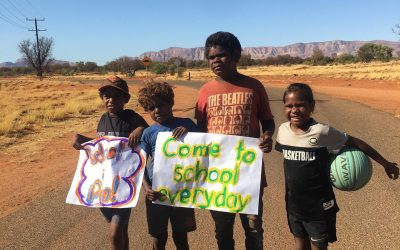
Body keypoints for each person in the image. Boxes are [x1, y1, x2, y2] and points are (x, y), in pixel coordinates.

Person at [275, 82, 399, 250]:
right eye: (289, 106)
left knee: (319, 246)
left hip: (319, 206)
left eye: (300, 105)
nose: (294, 110)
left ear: (312, 106)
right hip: (293, 205)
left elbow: (355, 142)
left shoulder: (322, 132)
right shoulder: (282, 131)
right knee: (299, 245)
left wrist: (385, 164)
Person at [195, 31, 275, 250]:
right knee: (222, 232)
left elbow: (268, 121)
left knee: (253, 230)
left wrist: (267, 136)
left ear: (236, 55)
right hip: (217, 175)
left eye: (221, 55)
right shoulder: (204, 91)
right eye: (211, 57)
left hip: (248, 172)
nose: (215, 61)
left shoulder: (254, 87)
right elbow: (199, 133)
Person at [72, 75, 148, 250]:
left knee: (114, 233)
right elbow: (102, 147)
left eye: (117, 96)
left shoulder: (130, 117)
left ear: (126, 99)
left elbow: (149, 132)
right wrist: (81, 141)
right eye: (107, 96)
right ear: (102, 98)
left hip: (123, 185)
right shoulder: (103, 118)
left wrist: (139, 129)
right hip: (104, 185)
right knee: (121, 231)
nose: (111, 100)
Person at [138, 80, 198, 250]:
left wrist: (189, 134)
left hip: (181, 193)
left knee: (181, 236)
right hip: (156, 194)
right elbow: (141, 164)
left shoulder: (187, 125)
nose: (157, 110)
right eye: (151, 107)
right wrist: (147, 187)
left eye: (161, 105)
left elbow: (204, 148)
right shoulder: (149, 132)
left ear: (171, 103)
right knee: (158, 237)